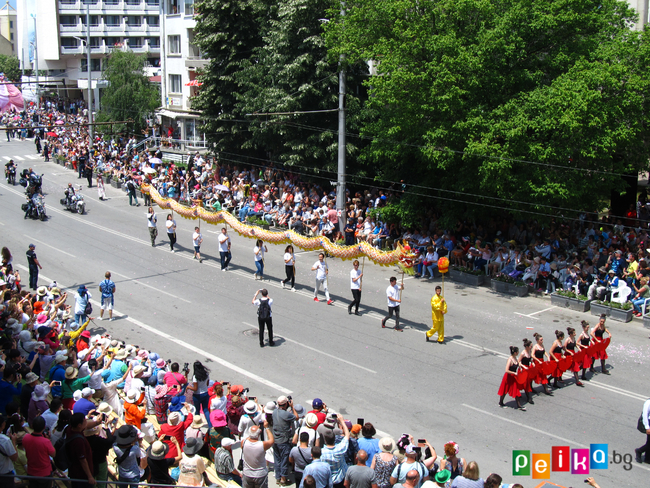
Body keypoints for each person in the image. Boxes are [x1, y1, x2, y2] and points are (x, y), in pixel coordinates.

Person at [22, 416, 55, 488]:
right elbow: (53, 454)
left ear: (32, 426)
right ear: (44, 427)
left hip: (31, 472)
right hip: (44, 474)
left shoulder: (25, 438)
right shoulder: (46, 442)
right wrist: (48, 440)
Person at [272, 396, 298, 486]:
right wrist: (292, 407)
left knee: (277, 459)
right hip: (283, 441)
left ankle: (278, 477)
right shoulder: (287, 414)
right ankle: (283, 479)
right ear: (286, 404)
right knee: (284, 460)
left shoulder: (274, 412)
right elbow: (297, 417)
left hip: (275, 440)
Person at [66, 413, 96, 488]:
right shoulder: (78, 441)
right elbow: (82, 460)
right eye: (84, 421)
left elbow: (85, 427)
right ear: (79, 425)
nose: (86, 421)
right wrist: (89, 476)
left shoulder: (70, 429)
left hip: (74, 471)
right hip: (81, 475)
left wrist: (97, 423)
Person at [320, 414, 350, 488]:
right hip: (339, 480)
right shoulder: (339, 449)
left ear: (325, 440)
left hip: (327, 480)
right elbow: (347, 436)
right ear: (334, 439)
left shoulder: (322, 452)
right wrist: (342, 422)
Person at [241, 423, 274, 488]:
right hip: (260, 474)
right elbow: (271, 440)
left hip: (247, 474)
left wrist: (253, 432)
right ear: (259, 434)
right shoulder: (262, 445)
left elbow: (248, 438)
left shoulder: (243, 442)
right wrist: (267, 428)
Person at [498, 346, 525, 411]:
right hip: (508, 377)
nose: (518, 352)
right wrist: (514, 373)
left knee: (516, 390)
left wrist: (520, 367)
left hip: (513, 377)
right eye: (518, 351)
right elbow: (506, 370)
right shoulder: (510, 359)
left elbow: (517, 364)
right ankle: (501, 402)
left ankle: (519, 405)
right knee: (504, 390)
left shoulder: (515, 358)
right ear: (515, 352)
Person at [0, 415, 17, 488]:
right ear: (3, 425)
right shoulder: (5, 440)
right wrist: (13, 441)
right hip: (4, 475)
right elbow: (14, 457)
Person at [636, 397, 650, 464]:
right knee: (649, 443)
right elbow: (645, 415)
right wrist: (647, 427)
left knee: (649, 442)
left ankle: (647, 458)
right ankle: (639, 451)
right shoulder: (648, 402)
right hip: (649, 424)